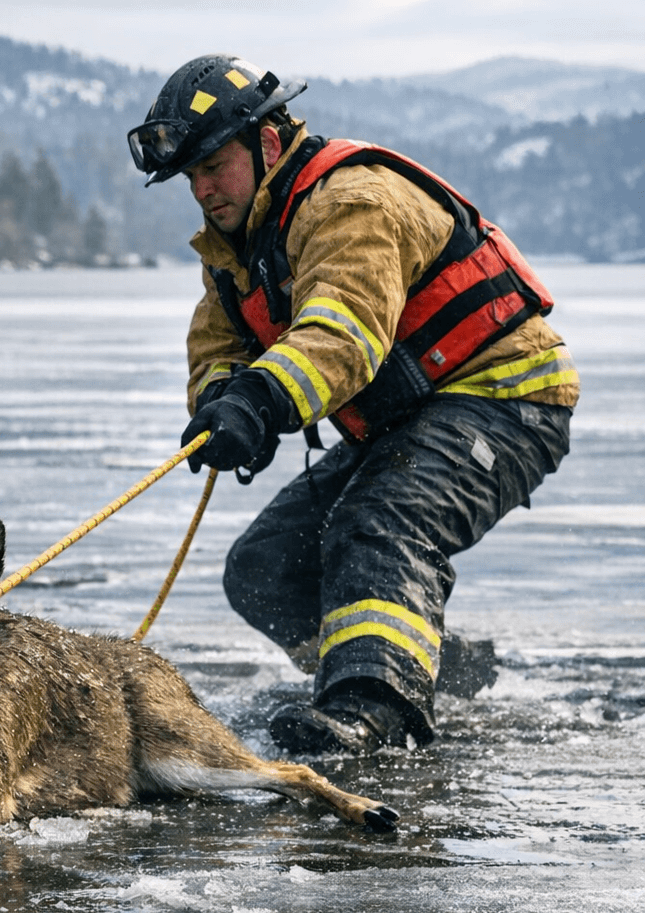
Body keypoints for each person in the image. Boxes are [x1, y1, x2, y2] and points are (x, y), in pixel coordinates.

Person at [127, 55, 578, 756]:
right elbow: (218, 340)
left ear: (267, 142)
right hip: (412, 415)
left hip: (505, 397)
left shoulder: (350, 202)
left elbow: (345, 333)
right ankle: (427, 665)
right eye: (191, 176)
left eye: (214, 164)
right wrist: (222, 396)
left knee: (379, 523)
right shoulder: (236, 245)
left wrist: (265, 397)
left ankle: (372, 709)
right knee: (265, 566)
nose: (204, 189)